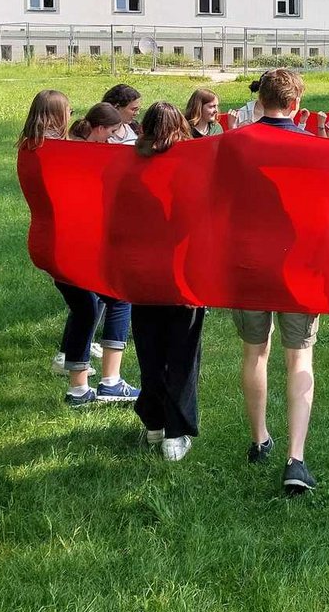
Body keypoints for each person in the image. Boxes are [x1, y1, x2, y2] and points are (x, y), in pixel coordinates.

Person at [231, 68, 323, 495]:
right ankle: (295, 458)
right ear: (295, 106)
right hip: (297, 265)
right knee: (299, 357)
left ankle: (258, 438)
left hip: (249, 263)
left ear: (260, 100)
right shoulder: (311, 147)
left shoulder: (235, 144)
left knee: (255, 352)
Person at [18, 90, 142, 407]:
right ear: (56, 114)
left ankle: (78, 389)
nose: (73, 115)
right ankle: (111, 382)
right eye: (68, 110)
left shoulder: (29, 148)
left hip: (45, 239)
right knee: (118, 296)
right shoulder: (58, 152)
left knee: (86, 307)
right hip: (67, 242)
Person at [128, 102, 207, 461]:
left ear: (144, 128)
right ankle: (173, 433)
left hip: (142, 276)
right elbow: (201, 225)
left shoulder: (128, 167)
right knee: (182, 355)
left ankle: (154, 423)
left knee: (150, 351)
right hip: (182, 275)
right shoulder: (192, 168)